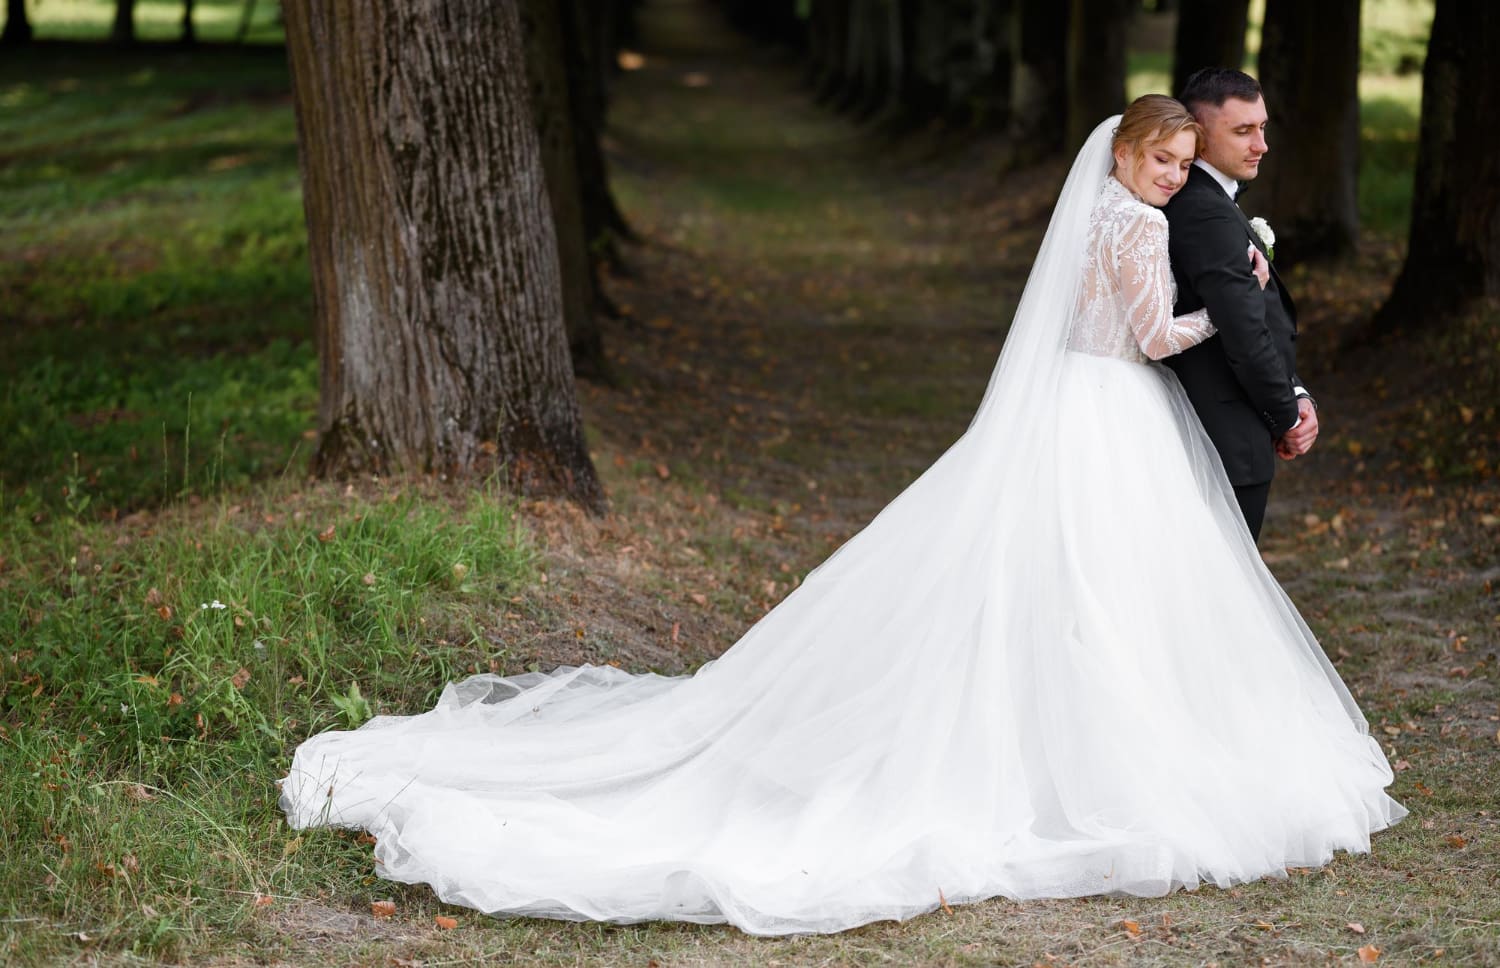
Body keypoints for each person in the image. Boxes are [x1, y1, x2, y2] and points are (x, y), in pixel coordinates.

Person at [280, 96, 1403, 937]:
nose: (1170, 176)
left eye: (1177, 161)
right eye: (1160, 159)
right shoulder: (1136, 226)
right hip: (1112, 408)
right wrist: (1232, 305)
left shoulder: (1105, 216)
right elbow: (1154, 338)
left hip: (1083, 405)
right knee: (1103, 580)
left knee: (1072, 582)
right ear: (1122, 156)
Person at [1163, 68, 1316, 542]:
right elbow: (1243, 333)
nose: (1261, 145)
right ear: (1199, 138)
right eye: (1243, 130)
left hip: (1226, 429)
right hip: (1223, 438)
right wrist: (1286, 416)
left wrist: (1295, 391)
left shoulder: (1207, 200)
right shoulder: (1204, 211)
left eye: (1263, 127)